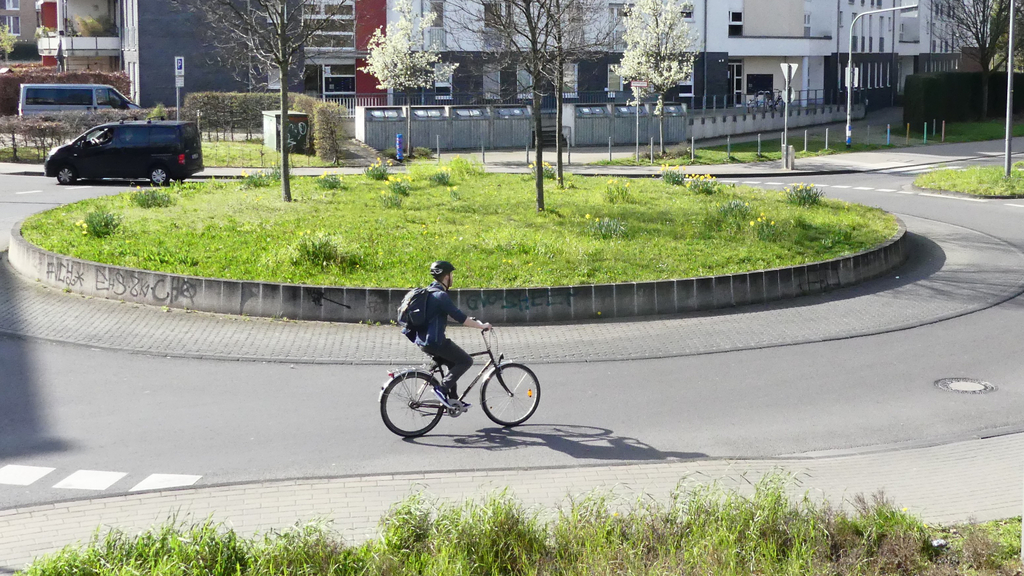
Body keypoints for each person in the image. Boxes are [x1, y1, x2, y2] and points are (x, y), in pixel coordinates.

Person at [404, 260, 491, 411]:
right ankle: (441, 389)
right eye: (451, 275)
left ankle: (453, 400)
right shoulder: (441, 296)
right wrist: (481, 326)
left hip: (423, 341)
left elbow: (445, 314)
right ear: (446, 277)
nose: (452, 278)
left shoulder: (429, 292)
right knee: (465, 361)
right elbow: (460, 318)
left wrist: (471, 320)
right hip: (435, 342)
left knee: (453, 363)